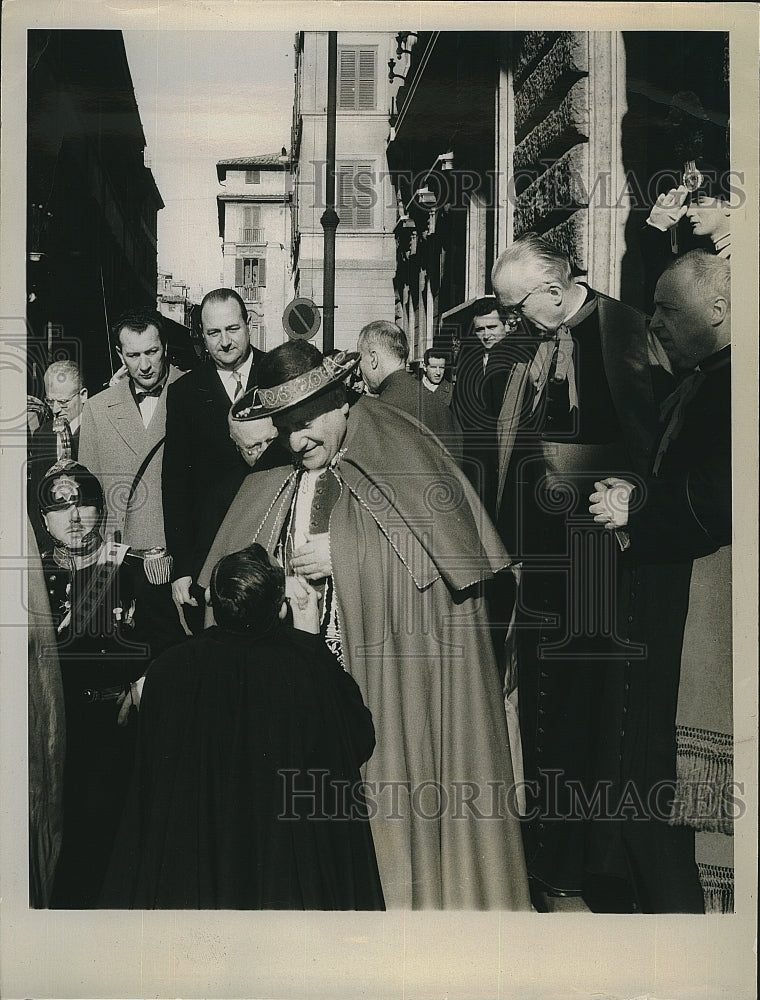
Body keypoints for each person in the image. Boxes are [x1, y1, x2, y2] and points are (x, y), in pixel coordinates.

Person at [197, 341, 531, 910]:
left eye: (306, 423)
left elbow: (442, 577)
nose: (297, 440)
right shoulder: (279, 472)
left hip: (387, 689)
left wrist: (343, 557)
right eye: (285, 427)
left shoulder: (399, 444)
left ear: (338, 401)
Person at [490, 232, 671, 911]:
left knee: (585, 706)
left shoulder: (620, 326)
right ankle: (544, 853)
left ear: (551, 287)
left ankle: (579, 860)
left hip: (595, 556)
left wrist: (634, 507)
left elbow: (648, 435)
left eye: (516, 304)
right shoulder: (533, 341)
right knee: (541, 702)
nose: (511, 318)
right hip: (539, 558)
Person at [102, 543, 384, 910]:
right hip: (279, 870)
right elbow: (358, 740)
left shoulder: (169, 668)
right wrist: (310, 640)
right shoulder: (302, 667)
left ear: (214, 603)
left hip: (194, 869)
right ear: (279, 606)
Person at [588, 251, 732, 912]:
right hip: (671, 609)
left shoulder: (737, 382)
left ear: (719, 310)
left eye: (668, 311)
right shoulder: (702, 378)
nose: (656, 324)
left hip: (708, 620)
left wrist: (637, 507)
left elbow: (722, 498)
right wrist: (635, 492)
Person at [37, 461, 154, 907]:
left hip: (116, 729)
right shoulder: (32, 582)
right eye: (60, 507)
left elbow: (163, 644)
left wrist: (142, 684)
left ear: (100, 511)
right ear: (44, 520)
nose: (75, 516)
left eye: (84, 503)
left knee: (110, 851)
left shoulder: (131, 567)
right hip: (55, 731)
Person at [162, 288, 278, 632]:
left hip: (273, 541)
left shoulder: (277, 376)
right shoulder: (184, 393)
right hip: (213, 551)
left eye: (232, 329)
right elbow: (176, 483)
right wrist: (182, 567)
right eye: (214, 333)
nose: (224, 341)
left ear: (249, 324)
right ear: (202, 335)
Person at [79, 309, 186, 653]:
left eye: (151, 352)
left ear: (165, 347)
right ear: (119, 355)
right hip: (118, 568)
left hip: (175, 567)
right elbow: (88, 498)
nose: (144, 365)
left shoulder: (193, 394)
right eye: (133, 355)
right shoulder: (97, 408)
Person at [451, 296, 514, 520]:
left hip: (509, 452)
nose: (486, 334)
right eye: (480, 329)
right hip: (476, 455)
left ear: (506, 325)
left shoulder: (519, 359)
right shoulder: (469, 360)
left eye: (492, 327)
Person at [356, 320, 459, 454]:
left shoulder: (378, 410)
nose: (359, 370)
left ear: (373, 359)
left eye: (360, 359)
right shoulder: (438, 405)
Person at [28, 361, 88, 547]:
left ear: (83, 395)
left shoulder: (97, 429)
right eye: (50, 401)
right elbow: (36, 495)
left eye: (63, 402)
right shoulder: (42, 434)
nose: (55, 410)